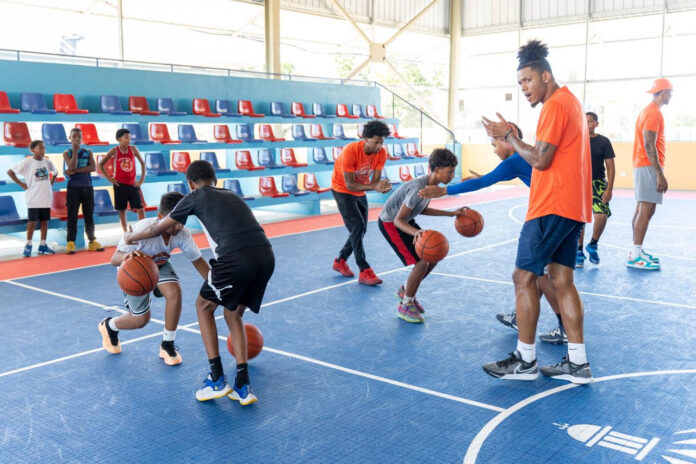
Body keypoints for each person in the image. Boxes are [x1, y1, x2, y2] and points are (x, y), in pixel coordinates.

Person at [481, 40, 593, 384]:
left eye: (528, 80)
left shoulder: (555, 106)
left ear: (546, 76)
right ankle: (578, 363)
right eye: (520, 83)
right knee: (562, 281)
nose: (524, 88)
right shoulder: (570, 102)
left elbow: (540, 160)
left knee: (523, 277)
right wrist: (514, 137)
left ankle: (525, 360)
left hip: (551, 205)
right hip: (571, 207)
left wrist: (510, 136)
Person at [125, 160, 275, 405]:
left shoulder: (195, 196)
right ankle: (242, 385)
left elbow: (155, 229)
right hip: (266, 257)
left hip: (235, 258)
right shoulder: (231, 194)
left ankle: (217, 379)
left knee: (203, 306)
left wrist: (130, 236)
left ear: (190, 183)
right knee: (233, 314)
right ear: (215, 179)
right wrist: (217, 285)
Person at [418, 125, 567, 344]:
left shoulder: (514, 160)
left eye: (495, 144)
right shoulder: (530, 154)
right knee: (536, 272)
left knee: (537, 273)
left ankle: (563, 326)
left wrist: (445, 190)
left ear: (507, 140)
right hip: (563, 213)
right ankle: (522, 316)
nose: (494, 150)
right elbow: (496, 177)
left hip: (548, 215)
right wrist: (485, 178)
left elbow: (484, 182)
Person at [99, 191, 209, 365]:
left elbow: (198, 261)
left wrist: (216, 284)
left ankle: (167, 344)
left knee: (175, 293)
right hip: (135, 271)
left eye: (182, 220)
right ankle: (109, 325)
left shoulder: (182, 233)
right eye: (174, 222)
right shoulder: (142, 230)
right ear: (160, 217)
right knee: (140, 320)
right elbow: (114, 259)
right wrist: (127, 257)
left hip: (160, 264)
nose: (178, 226)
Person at [378, 148, 467, 323]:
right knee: (422, 262)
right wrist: (416, 232)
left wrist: (450, 214)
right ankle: (405, 305)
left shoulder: (431, 187)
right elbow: (398, 221)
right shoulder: (418, 188)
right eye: (449, 172)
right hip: (391, 223)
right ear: (436, 170)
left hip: (405, 220)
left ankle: (406, 290)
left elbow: (422, 209)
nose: (452, 176)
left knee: (433, 256)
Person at [331, 120, 392, 286]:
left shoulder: (381, 153)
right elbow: (350, 184)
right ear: (366, 138)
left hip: (360, 191)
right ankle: (364, 270)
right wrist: (375, 186)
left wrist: (381, 186)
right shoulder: (350, 151)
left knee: (360, 230)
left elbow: (375, 182)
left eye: (381, 142)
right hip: (342, 190)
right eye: (376, 142)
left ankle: (340, 261)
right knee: (358, 227)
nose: (379, 146)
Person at [627, 78, 673, 270]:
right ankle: (635, 256)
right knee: (646, 210)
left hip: (644, 164)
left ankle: (636, 251)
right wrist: (659, 173)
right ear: (663, 92)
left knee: (643, 209)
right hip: (648, 165)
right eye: (670, 92)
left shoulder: (649, 111)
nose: (671, 96)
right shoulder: (653, 112)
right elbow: (648, 144)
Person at [575, 112, 615, 267]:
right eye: (584, 121)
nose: (587, 124)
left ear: (596, 124)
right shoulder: (576, 140)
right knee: (580, 219)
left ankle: (593, 244)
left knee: (601, 216)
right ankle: (579, 250)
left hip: (598, 184)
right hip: (579, 184)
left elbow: (610, 167)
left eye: (590, 121)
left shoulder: (604, 141)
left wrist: (609, 188)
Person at [6, 140, 58, 257]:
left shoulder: (47, 162)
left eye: (44, 148)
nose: (43, 150)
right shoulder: (27, 162)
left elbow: (55, 172)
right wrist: (21, 184)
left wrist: (51, 183)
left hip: (46, 197)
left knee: (44, 221)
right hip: (33, 197)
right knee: (32, 222)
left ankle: (43, 245)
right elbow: (10, 172)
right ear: (32, 150)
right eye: (40, 148)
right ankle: (28, 245)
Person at [63, 127, 104, 254]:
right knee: (72, 216)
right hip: (73, 189)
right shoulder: (67, 153)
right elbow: (71, 166)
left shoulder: (88, 152)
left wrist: (75, 171)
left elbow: (92, 167)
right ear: (70, 138)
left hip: (87, 187)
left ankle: (92, 241)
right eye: (74, 136)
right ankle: (71, 242)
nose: (77, 139)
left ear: (82, 138)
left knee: (89, 215)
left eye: (79, 136)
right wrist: (75, 152)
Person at [98, 128, 146, 232]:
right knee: (122, 211)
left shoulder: (133, 149)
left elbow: (142, 163)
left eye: (129, 138)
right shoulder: (114, 151)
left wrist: (141, 180)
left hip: (132, 184)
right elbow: (100, 164)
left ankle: (142, 230)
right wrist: (110, 178)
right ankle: (125, 232)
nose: (129, 140)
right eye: (126, 138)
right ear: (119, 139)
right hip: (119, 185)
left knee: (140, 209)